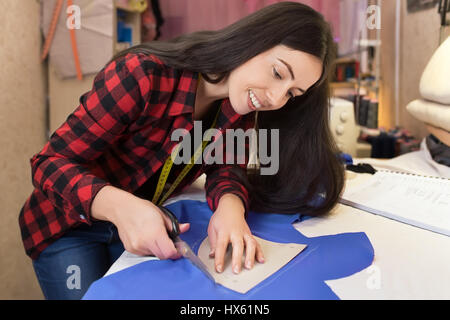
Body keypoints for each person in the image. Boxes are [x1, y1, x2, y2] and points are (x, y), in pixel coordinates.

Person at [19, 2, 345, 299]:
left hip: (139, 223)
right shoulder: (142, 74)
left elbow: (226, 167)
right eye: (277, 73)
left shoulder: (241, 105)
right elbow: (48, 164)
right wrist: (122, 208)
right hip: (65, 227)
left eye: (292, 92)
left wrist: (230, 208)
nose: (275, 98)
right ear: (254, 40)